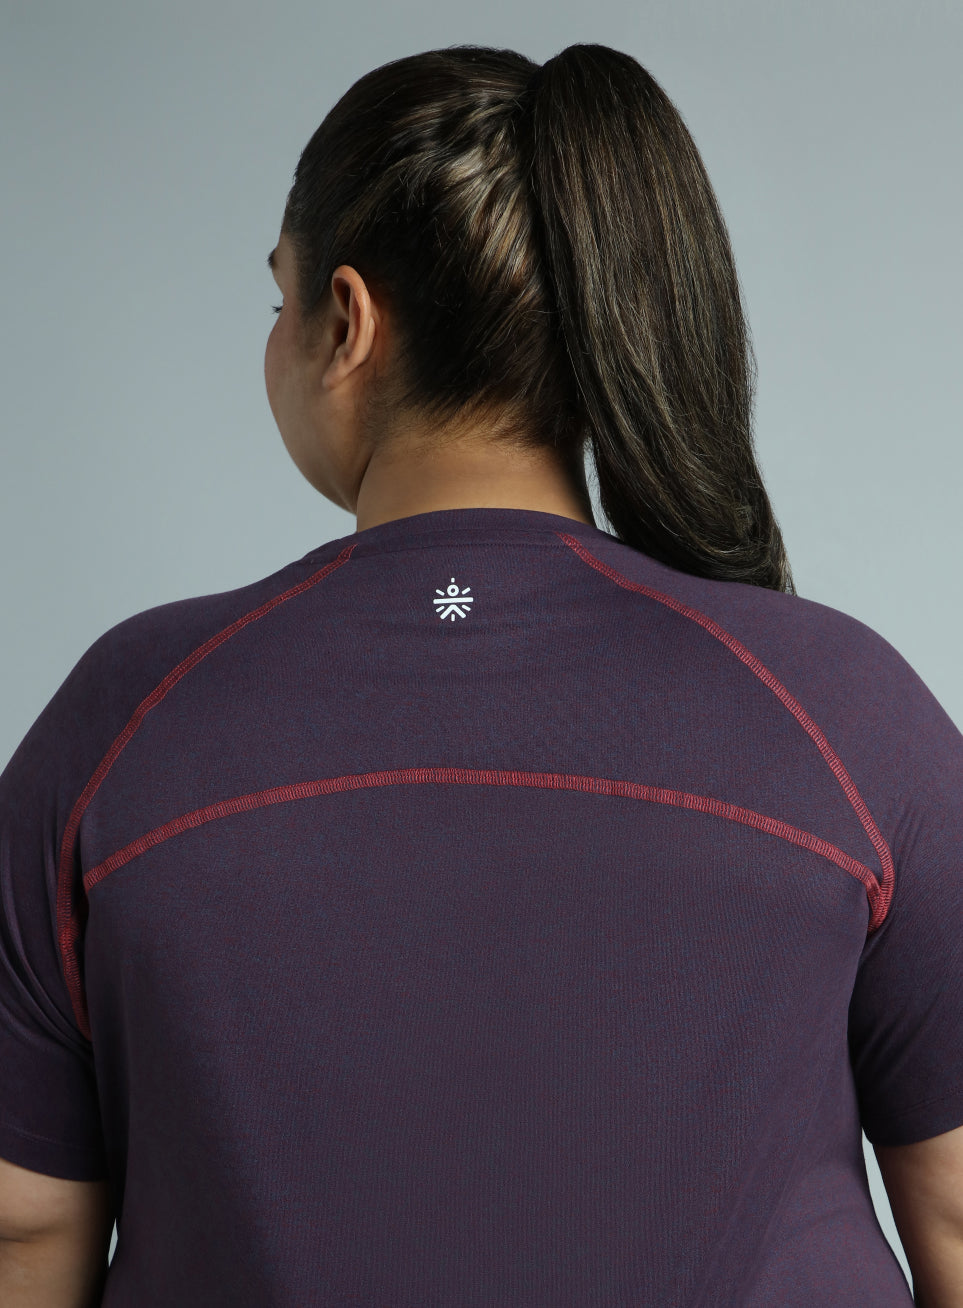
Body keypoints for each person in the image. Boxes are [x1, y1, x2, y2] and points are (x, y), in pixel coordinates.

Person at [1, 41, 961, 1308]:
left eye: (279, 299)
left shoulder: (124, 721)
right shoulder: (845, 713)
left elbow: (23, 1234)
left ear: (347, 322)